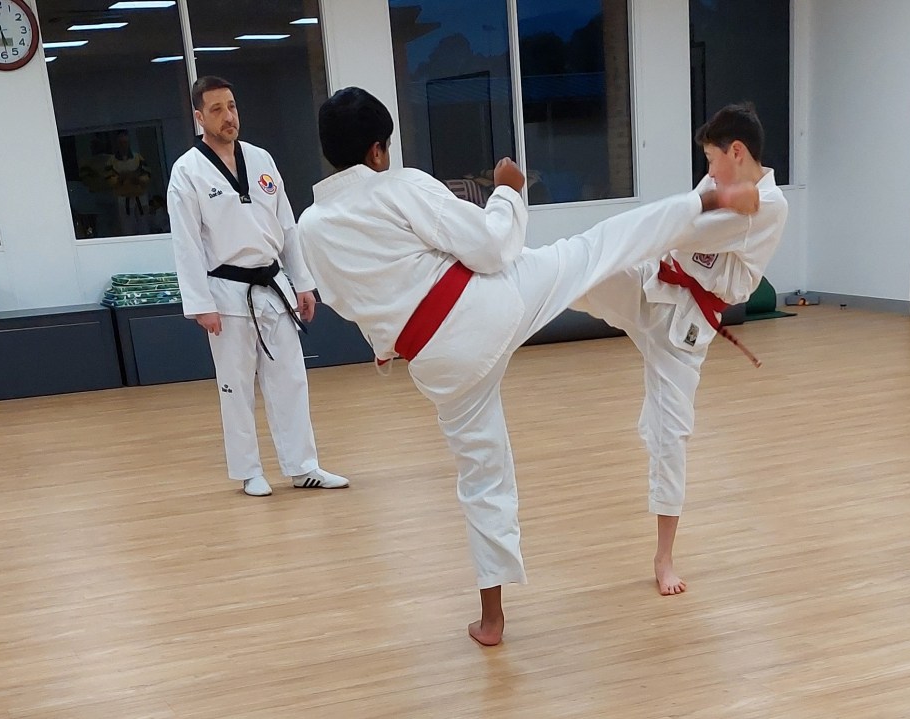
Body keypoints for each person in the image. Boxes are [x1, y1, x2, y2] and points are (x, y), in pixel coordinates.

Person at [296, 87, 759, 646]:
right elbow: (493, 248)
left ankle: (491, 620)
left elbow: (351, 304)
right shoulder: (399, 186)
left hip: (437, 364)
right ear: (377, 150)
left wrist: (385, 341)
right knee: (595, 248)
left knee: (482, 478)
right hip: (488, 309)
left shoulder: (310, 228)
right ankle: (705, 202)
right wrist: (508, 193)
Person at [574, 103, 789, 595]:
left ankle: (664, 557)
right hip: (652, 284)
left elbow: (686, 229)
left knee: (671, 436)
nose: (708, 171)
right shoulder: (718, 185)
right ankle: (495, 282)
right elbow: (677, 227)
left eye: (713, 159)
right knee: (577, 273)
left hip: (685, 330)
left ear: (738, 152)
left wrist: (719, 202)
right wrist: (718, 196)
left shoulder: (771, 205)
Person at [168, 76, 349, 497]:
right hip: (225, 292)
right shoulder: (187, 171)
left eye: (231, 106)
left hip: (273, 286)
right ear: (199, 117)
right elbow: (186, 243)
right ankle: (249, 470)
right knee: (235, 385)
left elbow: (287, 226)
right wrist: (200, 303)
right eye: (216, 109)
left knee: (291, 379)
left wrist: (303, 283)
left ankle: (303, 466)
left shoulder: (261, 158)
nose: (228, 116)